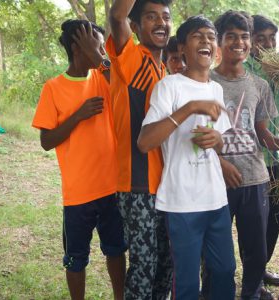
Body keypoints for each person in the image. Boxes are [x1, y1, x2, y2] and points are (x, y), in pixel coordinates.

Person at [207, 10, 279, 300]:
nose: (239, 42)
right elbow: (194, 137)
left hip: (255, 179)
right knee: (215, 250)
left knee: (257, 251)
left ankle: (251, 293)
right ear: (219, 42)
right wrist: (221, 163)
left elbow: (262, 135)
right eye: (231, 37)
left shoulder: (259, 85)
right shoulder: (206, 82)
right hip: (216, 182)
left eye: (244, 37)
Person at [137, 15, 236, 300]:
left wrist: (217, 141)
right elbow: (145, 142)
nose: (206, 40)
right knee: (187, 281)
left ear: (216, 49)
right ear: (181, 48)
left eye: (210, 36)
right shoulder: (169, 87)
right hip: (182, 202)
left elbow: (221, 142)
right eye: (197, 36)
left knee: (224, 270)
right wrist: (190, 107)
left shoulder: (216, 89)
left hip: (216, 199)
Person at [31, 20, 126, 300]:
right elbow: (46, 142)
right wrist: (78, 116)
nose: (101, 53)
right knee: (75, 258)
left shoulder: (103, 77)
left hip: (112, 186)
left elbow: (121, 79)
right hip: (78, 193)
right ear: (77, 47)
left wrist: (98, 57)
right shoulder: (53, 87)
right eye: (96, 46)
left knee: (116, 249)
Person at [106, 0, 173, 298]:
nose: (161, 22)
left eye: (166, 16)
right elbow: (116, 14)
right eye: (150, 17)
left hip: (165, 186)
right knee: (144, 266)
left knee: (165, 264)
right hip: (137, 184)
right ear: (135, 27)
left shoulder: (163, 70)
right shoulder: (131, 58)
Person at [242, 13, 279, 289]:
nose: (268, 44)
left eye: (272, 39)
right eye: (261, 39)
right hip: (250, 158)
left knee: (274, 218)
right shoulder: (245, 69)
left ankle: (260, 268)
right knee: (252, 223)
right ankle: (251, 275)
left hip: (276, 155)